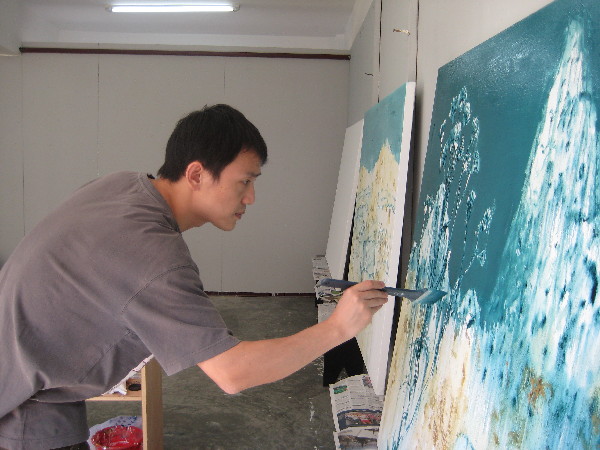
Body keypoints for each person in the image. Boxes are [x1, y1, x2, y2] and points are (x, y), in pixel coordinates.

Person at [0, 104, 388, 450]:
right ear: (197, 173)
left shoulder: (120, 184)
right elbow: (232, 373)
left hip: (28, 380)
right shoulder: (153, 256)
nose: (251, 198)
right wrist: (338, 328)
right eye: (245, 181)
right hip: (20, 409)